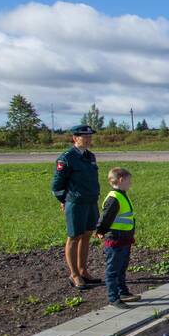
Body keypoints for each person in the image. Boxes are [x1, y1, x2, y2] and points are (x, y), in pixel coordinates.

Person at [51, 124, 102, 289]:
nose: (87, 140)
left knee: (87, 235)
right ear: (75, 138)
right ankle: (74, 274)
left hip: (90, 201)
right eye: (83, 137)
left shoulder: (90, 156)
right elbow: (57, 185)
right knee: (74, 237)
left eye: (89, 137)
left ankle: (83, 271)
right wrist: (63, 200)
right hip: (76, 202)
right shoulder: (67, 158)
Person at [96, 167, 141, 308]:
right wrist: (100, 230)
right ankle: (113, 298)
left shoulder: (121, 194)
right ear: (121, 180)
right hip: (115, 239)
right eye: (129, 180)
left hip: (124, 238)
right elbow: (106, 218)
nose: (130, 183)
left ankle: (123, 292)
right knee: (113, 269)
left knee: (122, 267)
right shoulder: (113, 198)